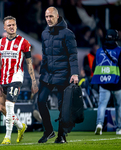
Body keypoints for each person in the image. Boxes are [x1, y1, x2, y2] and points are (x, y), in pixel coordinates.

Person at [0, 16, 39, 144]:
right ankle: (20, 126)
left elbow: (29, 63)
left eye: (13, 24)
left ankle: (7, 137)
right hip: (2, 78)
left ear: (16, 26)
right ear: (4, 27)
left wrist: (33, 81)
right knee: (2, 108)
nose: (12, 27)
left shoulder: (24, 42)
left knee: (9, 105)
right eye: (9, 25)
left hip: (16, 77)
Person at [37, 7, 79, 143]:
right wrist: (41, 71)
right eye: (46, 17)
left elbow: (73, 56)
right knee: (41, 101)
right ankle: (49, 131)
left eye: (51, 16)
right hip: (47, 75)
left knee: (62, 106)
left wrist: (75, 74)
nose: (48, 19)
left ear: (57, 16)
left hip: (63, 74)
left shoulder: (68, 34)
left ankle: (61, 135)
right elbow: (45, 55)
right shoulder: (44, 33)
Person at [91, 29, 121, 135]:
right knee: (119, 106)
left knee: (102, 104)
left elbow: (94, 67)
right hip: (117, 83)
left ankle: (99, 125)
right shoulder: (119, 50)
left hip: (103, 83)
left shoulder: (99, 51)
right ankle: (119, 128)